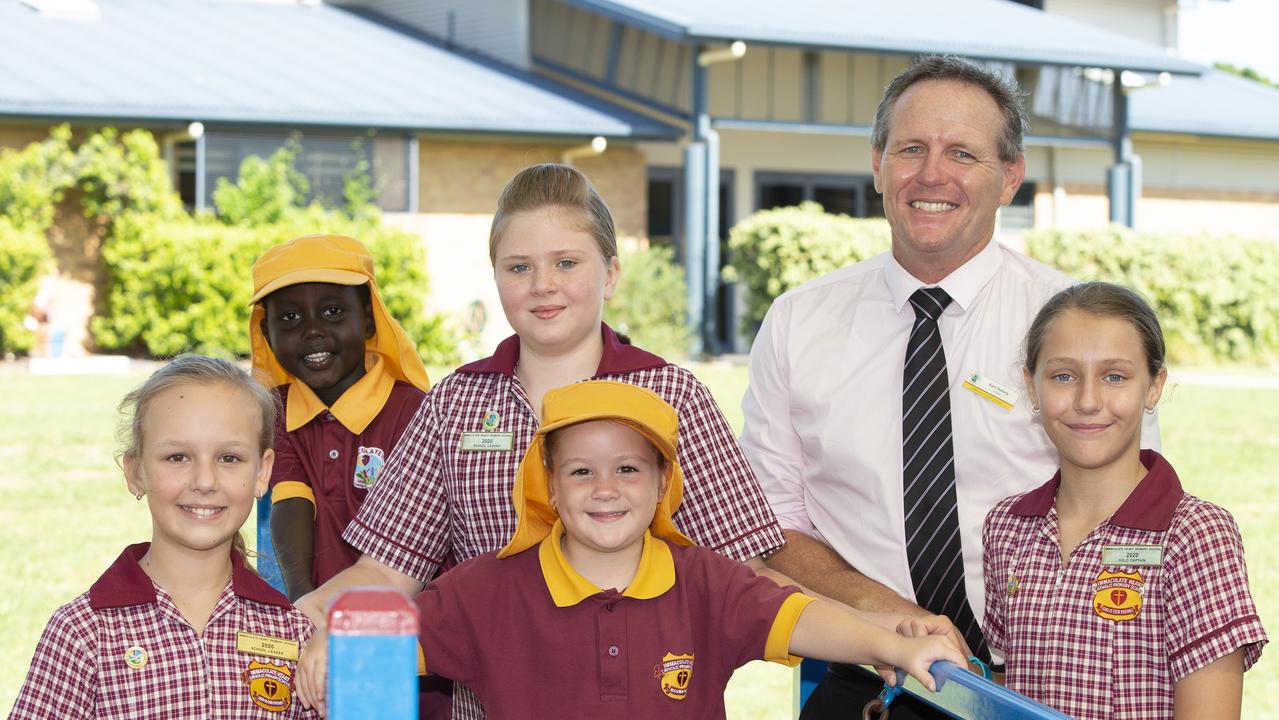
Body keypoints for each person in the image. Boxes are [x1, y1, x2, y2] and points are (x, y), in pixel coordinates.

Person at [738, 56, 1159, 718]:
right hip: (862, 675)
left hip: (1042, 683)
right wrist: (893, 618)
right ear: (878, 163)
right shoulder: (799, 322)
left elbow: (1133, 519)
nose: (930, 174)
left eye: (961, 153)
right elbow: (766, 525)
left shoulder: (1073, 325)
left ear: (1009, 178)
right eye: (910, 149)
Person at [293, 164, 790, 719]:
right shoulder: (455, 403)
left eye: (566, 263)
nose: (543, 284)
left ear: (610, 274)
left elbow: (747, 578)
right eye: (519, 267)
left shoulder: (674, 396)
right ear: (497, 277)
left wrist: (877, 633)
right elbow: (387, 571)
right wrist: (297, 621)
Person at [389, 381, 965, 718]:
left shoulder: (705, 581)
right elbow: (376, 654)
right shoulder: (486, 588)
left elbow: (799, 618)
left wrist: (887, 644)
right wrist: (329, 653)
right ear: (550, 483)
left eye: (628, 469)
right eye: (581, 470)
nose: (606, 488)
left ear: (665, 481)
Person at [979, 282, 1266, 719]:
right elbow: (1004, 687)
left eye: (1114, 376)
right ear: (1032, 388)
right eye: (1063, 376)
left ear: (1153, 387)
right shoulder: (1007, 527)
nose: (1088, 401)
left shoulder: (1195, 536)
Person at [10, 355, 317, 719]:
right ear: (136, 471)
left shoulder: (293, 631)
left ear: (263, 471)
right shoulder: (83, 632)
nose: (205, 481)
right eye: (177, 457)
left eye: (229, 458)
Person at [250, 233, 431, 601]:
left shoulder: (413, 412)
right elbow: (290, 501)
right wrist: (305, 602)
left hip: (402, 614)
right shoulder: (277, 412)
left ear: (368, 320)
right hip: (315, 608)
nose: (313, 330)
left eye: (332, 311)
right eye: (290, 317)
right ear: (267, 334)